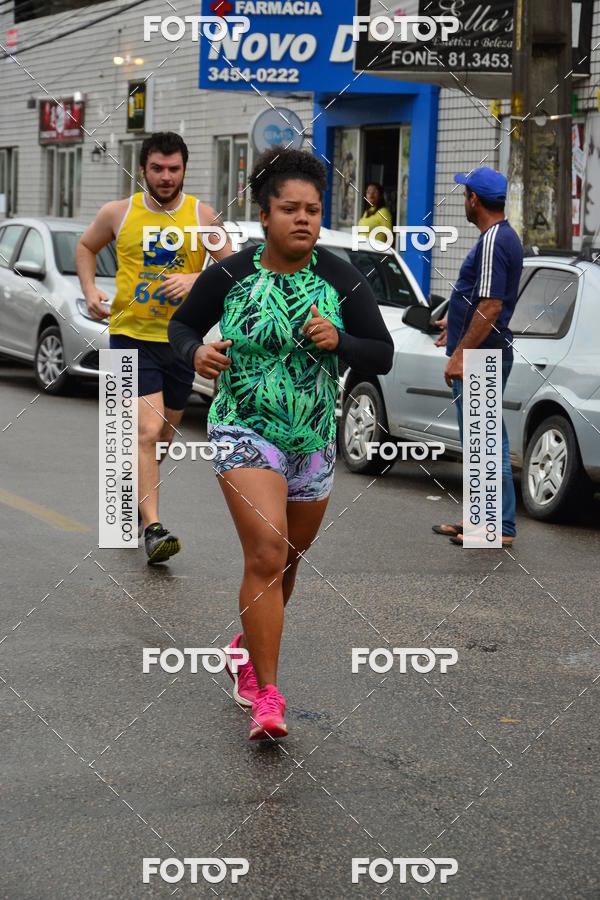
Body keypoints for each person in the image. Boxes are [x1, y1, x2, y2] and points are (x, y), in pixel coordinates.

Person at [168, 147, 394, 740]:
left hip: (313, 437)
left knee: (289, 558)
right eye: (289, 208)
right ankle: (268, 694)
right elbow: (182, 325)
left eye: (313, 210)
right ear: (263, 215)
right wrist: (195, 352)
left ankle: (244, 648)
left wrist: (340, 339)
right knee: (267, 552)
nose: (303, 219)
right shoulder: (232, 274)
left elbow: (383, 355)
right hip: (244, 425)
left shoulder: (341, 278)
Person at [76, 131, 232, 564]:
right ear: (142, 167)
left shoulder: (202, 216)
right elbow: (86, 247)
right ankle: (154, 528)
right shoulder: (118, 213)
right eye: (158, 168)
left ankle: (133, 498)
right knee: (146, 431)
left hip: (183, 340)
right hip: (129, 337)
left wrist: (195, 279)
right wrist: (90, 290)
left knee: (163, 435)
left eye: (174, 169)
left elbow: (234, 269)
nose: (166, 177)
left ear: (184, 169)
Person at [432, 167, 523, 546]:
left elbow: (490, 305)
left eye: (465, 194)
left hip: (482, 357)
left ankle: (498, 526)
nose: (463, 200)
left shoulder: (494, 241)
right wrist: (452, 326)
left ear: (475, 201)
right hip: (482, 353)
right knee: (481, 441)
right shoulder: (501, 238)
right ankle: (482, 521)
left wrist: (460, 356)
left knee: (485, 442)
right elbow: (478, 299)